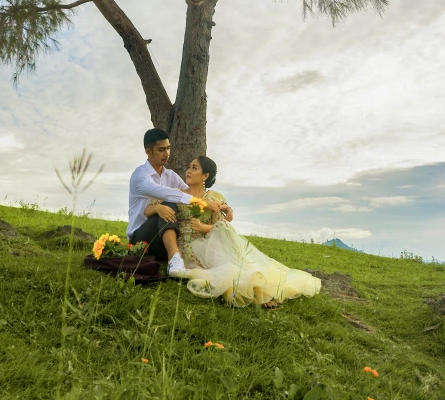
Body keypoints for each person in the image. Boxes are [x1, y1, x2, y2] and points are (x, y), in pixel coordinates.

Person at [144, 155, 321, 307]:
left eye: (194, 168)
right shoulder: (178, 193)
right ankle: (251, 291)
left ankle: (258, 291)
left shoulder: (214, 198)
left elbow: (221, 228)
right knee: (220, 273)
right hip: (185, 247)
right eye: (189, 167)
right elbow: (148, 209)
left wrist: (202, 227)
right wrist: (159, 209)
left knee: (230, 261)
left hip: (207, 243)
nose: (188, 171)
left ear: (205, 175)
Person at [127, 129, 233, 277]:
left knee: (171, 205)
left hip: (164, 237)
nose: (167, 153)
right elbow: (168, 193)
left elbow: (190, 193)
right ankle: (174, 258)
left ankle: (175, 257)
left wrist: (222, 205)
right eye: (161, 150)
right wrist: (158, 208)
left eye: (168, 148)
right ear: (148, 152)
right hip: (141, 237)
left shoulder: (171, 176)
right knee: (169, 203)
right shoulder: (140, 176)